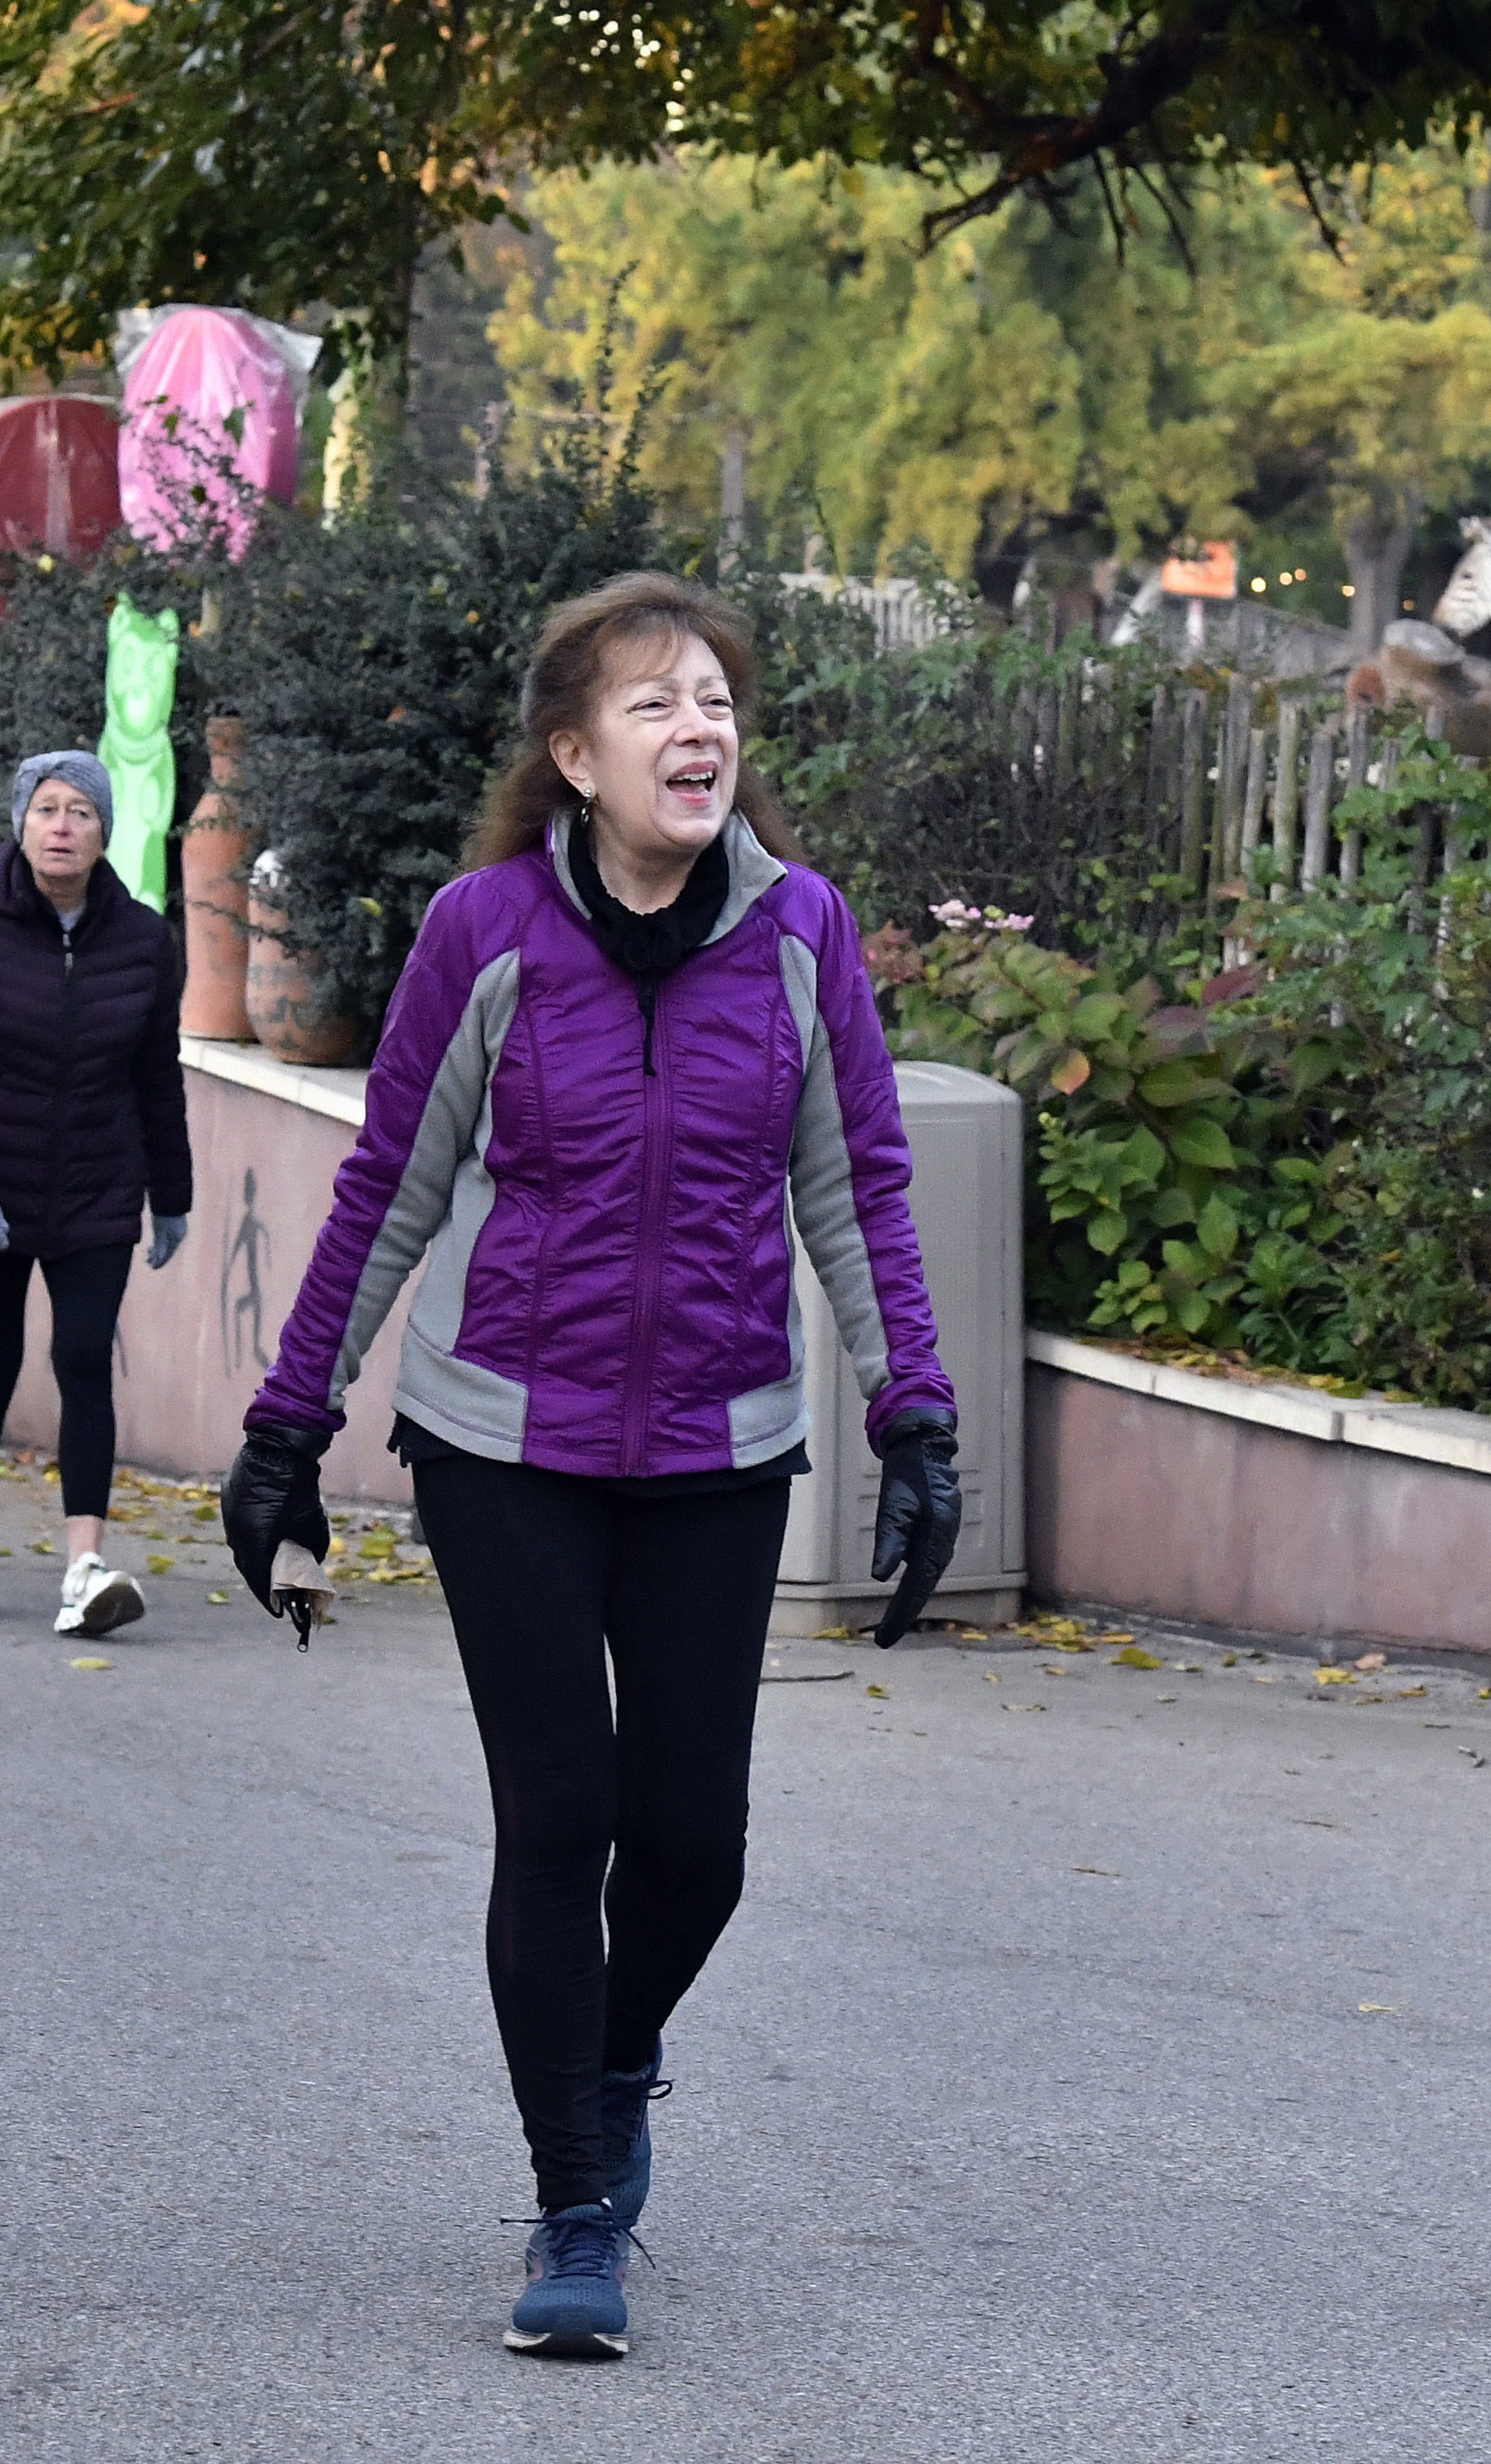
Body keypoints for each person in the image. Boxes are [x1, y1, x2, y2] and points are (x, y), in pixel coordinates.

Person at [221, 572, 962, 2360]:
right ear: (573, 755)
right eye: (653, 704)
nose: (697, 727)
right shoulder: (484, 933)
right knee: (562, 1815)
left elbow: (853, 1185)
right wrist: (285, 1425)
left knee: (692, 1843)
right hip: (507, 1437)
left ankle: (615, 2054)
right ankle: (574, 2201)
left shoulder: (801, 934)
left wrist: (912, 1412)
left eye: (713, 698)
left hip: (719, 1439)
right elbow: (390, 1185)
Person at [0, 749, 191, 1637]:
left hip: (97, 1190)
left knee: (81, 1360)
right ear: (21, 823)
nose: (62, 827)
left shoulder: (144, 942)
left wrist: (171, 1196)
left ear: (106, 834)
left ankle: (84, 1565)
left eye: (82, 814)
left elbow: (156, 1078)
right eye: (47, 810)